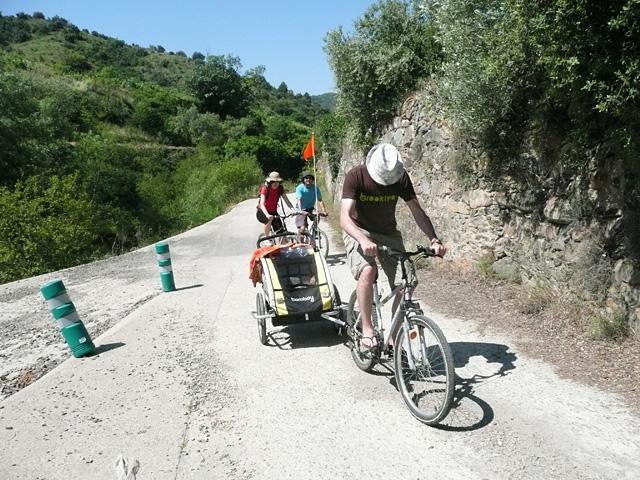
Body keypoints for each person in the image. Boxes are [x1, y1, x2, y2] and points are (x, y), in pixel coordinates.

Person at [340, 143, 447, 349]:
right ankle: (368, 329)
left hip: (388, 232)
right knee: (368, 271)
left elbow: (417, 211)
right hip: (358, 230)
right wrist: (363, 240)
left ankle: (393, 339)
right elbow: (344, 218)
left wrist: (434, 239)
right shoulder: (356, 176)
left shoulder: (401, 178)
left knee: (407, 282)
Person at [256, 171, 295, 237]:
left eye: (278, 182)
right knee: (268, 220)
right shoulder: (265, 188)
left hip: (273, 212)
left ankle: (283, 244)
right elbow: (262, 203)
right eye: (274, 181)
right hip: (262, 212)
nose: (276, 183)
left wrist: (293, 210)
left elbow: (286, 200)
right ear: (270, 182)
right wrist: (267, 214)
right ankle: (266, 237)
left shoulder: (280, 189)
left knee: (281, 232)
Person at [294, 172, 329, 236]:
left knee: (317, 215)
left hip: (310, 208)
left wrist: (324, 211)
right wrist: (301, 210)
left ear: (312, 180)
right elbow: (299, 199)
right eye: (306, 178)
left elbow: (320, 199)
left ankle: (314, 230)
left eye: (310, 178)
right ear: (303, 180)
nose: (308, 179)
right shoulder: (300, 188)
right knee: (302, 229)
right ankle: (301, 243)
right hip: (301, 208)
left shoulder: (315, 187)